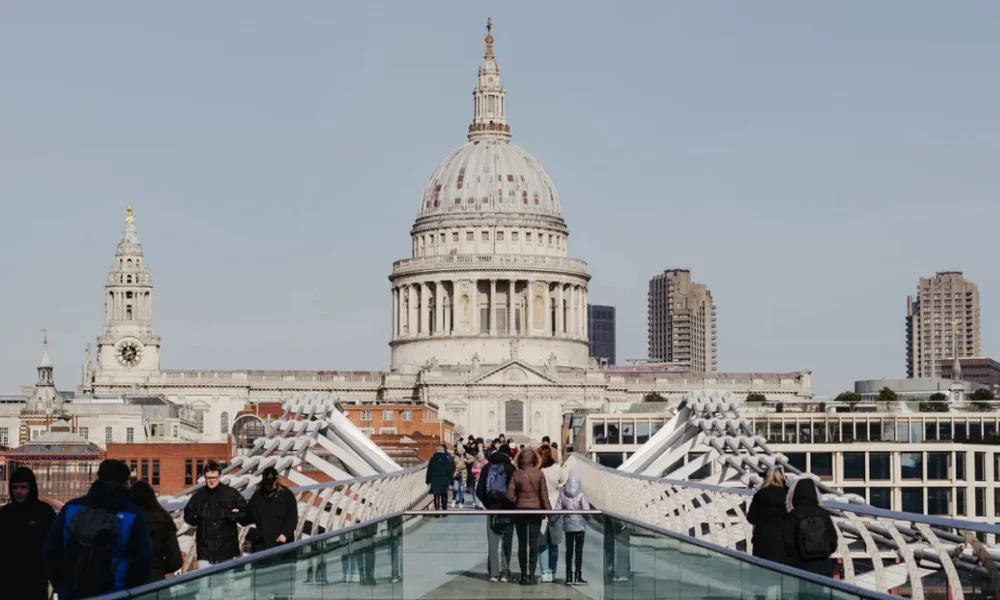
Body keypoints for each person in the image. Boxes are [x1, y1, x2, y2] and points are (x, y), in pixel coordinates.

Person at [43, 459, 152, 599]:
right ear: (126, 483)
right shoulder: (132, 514)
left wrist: (62, 585)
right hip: (116, 593)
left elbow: (50, 550)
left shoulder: (71, 508)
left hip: (72, 592)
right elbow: (143, 561)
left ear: (98, 479)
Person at [0, 466, 57, 600]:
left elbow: (54, 547)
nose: (18, 491)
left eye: (23, 487)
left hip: (35, 580)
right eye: (15, 487)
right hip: (7, 581)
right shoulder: (6, 513)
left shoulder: (45, 512)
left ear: (31, 488)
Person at [183, 461, 248, 568]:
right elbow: (188, 514)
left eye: (214, 478)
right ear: (204, 477)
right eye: (208, 478)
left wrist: (231, 515)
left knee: (226, 584)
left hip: (227, 550)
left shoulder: (231, 493)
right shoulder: (199, 495)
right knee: (203, 584)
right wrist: (198, 516)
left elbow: (245, 514)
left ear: (219, 476)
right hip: (205, 551)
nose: (211, 481)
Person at [505, 447, 551, 585]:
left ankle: (523, 575)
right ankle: (531, 574)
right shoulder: (539, 474)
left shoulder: (516, 474)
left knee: (522, 544)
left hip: (520, 512)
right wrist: (550, 512)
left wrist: (517, 501)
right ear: (534, 459)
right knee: (534, 544)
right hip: (535, 512)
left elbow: (509, 495)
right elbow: (544, 496)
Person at [783, 478, 839, 577]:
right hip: (823, 566)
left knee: (803, 592)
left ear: (796, 495)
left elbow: (788, 544)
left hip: (801, 567)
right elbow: (833, 541)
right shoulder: (823, 514)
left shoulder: (792, 516)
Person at [476, 443, 515, 582]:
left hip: (492, 508)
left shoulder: (487, 467)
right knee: (507, 541)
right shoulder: (511, 468)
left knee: (493, 542)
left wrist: (488, 505)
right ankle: (505, 572)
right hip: (508, 510)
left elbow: (479, 490)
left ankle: (493, 573)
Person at [130, 480, 183, 582]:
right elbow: (176, 561)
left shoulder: (128, 519)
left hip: (132, 580)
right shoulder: (164, 519)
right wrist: (158, 568)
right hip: (156, 580)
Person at [246, 467, 298, 552]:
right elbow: (248, 515)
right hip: (264, 543)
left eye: (272, 483)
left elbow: (292, 517)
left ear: (276, 480)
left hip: (282, 543)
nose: (269, 486)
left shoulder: (287, 495)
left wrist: (285, 534)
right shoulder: (258, 495)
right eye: (267, 484)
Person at [746, 467, 790, 566]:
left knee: (762, 570)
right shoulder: (788, 495)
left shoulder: (760, 494)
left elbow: (751, 517)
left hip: (762, 539)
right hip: (783, 539)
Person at [558, 470, 590, 586]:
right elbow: (586, 510)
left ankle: (568, 576)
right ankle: (578, 576)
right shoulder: (582, 493)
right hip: (580, 525)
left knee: (569, 551)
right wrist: (588, 519)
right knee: (579, 551)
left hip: (568, 525)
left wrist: (553, 520)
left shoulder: (562, 492)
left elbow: (558, 508)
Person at [536, 444, 563, 583]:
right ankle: (553, 571)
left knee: (542, 542)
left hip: (541, 508)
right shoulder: (558, 469)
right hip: (556, 507)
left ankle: (544, 572)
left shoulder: (538, 470)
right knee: (554, 542)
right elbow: (564, 483)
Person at [426, 444, 453, 510]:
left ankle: (437, 512)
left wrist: (428, 480)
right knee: (444, 494)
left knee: (436, 495)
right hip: (444, 480)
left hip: (435, 480)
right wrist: (451, 481)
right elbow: (449, 471)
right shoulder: (446, 460)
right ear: (443, 451)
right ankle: (444, 510)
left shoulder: (432, 459)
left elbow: (429, 471)